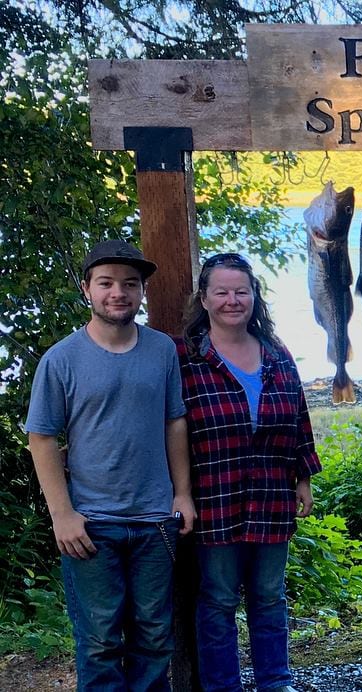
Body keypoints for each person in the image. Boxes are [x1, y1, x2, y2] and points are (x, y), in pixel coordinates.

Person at [25, 239, 195, 690]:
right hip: (91, 525)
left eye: (130, 284)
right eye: (106, 283)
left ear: (142, 291)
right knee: (100, 641)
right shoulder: (61, 359)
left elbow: (174, 421)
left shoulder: (161, 350)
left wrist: (182, 493)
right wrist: (62, 515)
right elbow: (41, 438)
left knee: (154, 637)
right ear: (87, 289)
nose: (118, 292)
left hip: (155, 521)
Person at [175, 252, 319, 692]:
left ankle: (276, 682)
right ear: (204, 298)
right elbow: (170, 426)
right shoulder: (185, 357)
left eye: (242, 291)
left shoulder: (277, 353)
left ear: (255, 296)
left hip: (272, 495)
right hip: (215, 497)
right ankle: (223, 686)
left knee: (269, 596)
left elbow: (299, 416)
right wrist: (181, 492)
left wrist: (303, 478)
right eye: (221, 292)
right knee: (218, 599)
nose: (232, 300)